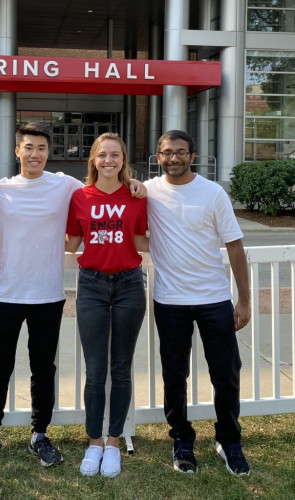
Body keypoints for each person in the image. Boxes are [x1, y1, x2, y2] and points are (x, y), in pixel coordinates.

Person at [0, 122, 146, 468]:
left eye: (42, 149)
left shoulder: (66, 186)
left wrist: (138, 185)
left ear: (48, 153)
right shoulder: (0, 190)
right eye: (29, 148)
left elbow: (104, 187)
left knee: (43, 368)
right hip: (6, 291)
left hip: (48, 293)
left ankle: (40, 434)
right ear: (17, 151)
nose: (35, 154)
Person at [145, 130, 251, 476]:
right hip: (170, 299)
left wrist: (244, 300)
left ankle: (229, 440)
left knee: (226, 372)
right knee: (175, 375)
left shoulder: (213, 193)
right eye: (166, 153)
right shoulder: (147, 192)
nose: (173, 158)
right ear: (157, 157)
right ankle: (182, 439)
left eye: (180, 152)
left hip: (214, 298)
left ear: (193, 155)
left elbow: (234, 245)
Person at [65, 133, 147, 478]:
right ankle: (94, 441)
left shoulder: (137, 196)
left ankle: (114, 442)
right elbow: (72, 243)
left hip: (129, 284)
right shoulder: (80, 197)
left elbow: (143, 239)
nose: (109, 160)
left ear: (123, 160)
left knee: (122, 367)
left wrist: (144, 188)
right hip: (92, 285)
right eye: (103, 155)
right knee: (96, 369)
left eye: (115, 155)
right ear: (94, 160)